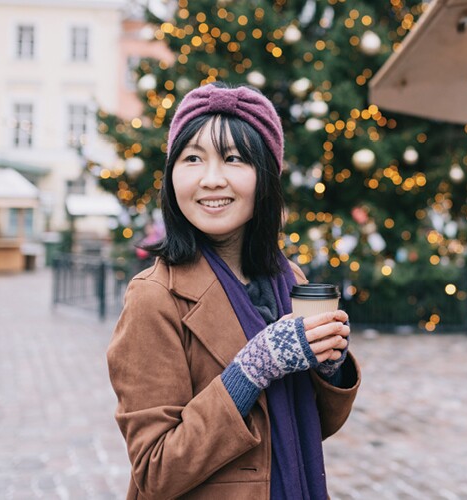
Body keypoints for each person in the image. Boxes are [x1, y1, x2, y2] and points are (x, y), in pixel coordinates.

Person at [107, 82, 359, 499]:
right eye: (192, 158)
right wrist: (251, 371)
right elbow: (155, 470)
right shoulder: (154, 297)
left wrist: (329, 366)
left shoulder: (287, 278)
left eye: (234, 158)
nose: (211, 179)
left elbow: (305, 425)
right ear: (171, 176)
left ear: (265, 177)